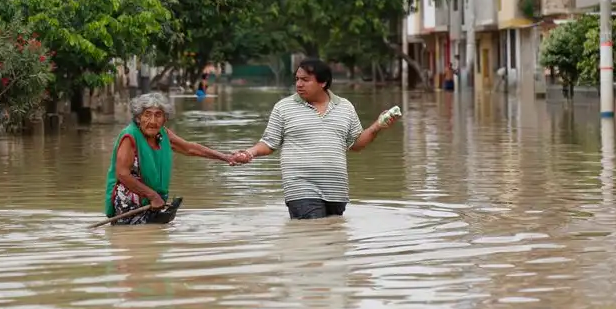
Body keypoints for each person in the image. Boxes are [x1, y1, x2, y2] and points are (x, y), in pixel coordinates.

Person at [232, 58, 398, 220]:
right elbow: (268, 143)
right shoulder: (283, 108)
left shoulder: (345, 107)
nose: (299, 84)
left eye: (305, 80)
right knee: (313, 230)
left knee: (332, 234)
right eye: (297, 79)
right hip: (300, 189)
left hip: (336, 190)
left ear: (323, 82)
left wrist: (377, 126)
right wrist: (249, 153)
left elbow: (356, 145)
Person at [104, 92, 236, 225]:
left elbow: (189, 148)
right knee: (133, 234)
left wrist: (226, 157)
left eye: (158, 115)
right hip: (129, 205)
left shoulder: (163, 134)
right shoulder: (130, 136)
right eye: (147, 114)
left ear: (165, 119)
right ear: (139, 117)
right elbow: (122, 174)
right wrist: (152, 196)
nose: (153, 121)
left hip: (152, 202)